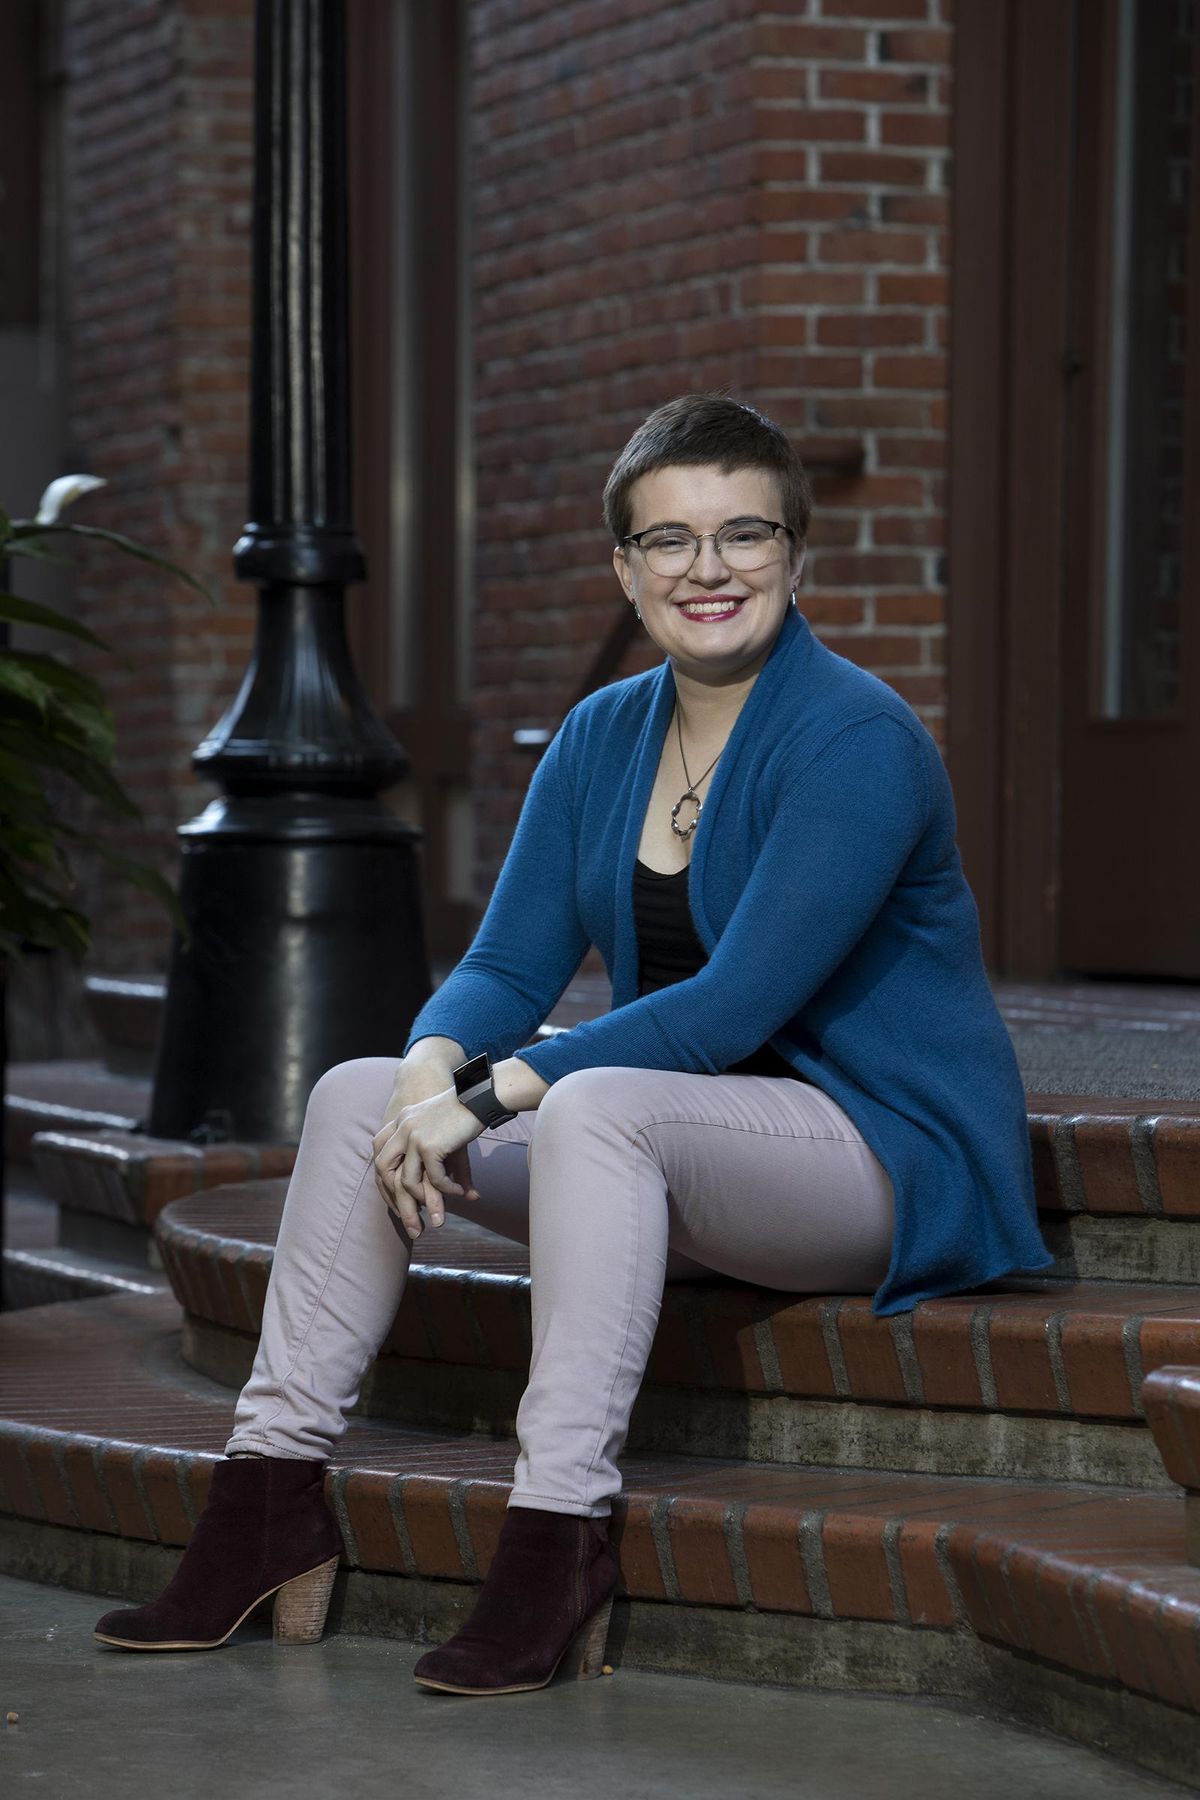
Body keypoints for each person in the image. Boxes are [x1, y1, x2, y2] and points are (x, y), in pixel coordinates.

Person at [93, 393, 1050, 1689]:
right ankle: (266, 1502)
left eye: (743, 533)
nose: (706, 569)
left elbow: (728, 1011)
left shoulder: (857, 740)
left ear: (796, 555)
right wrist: (437, 1070)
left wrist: (496, 1098)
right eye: (669, 540)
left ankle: (556, 1540)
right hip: (691, 1147)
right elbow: (502, 964)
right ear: (625, 569)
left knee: (597, 1107)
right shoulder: (605, 734)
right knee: (357, 1090)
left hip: (874, 1150)